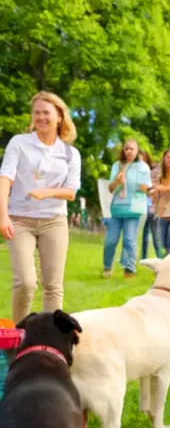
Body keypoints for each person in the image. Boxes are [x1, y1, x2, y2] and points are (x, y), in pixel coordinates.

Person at [0, 91, 82, 323]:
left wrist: (46, 192)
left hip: (54, 220)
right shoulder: (20, 143)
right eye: (37, 112)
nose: (41, 117)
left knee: (53, 286)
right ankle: (19, 335)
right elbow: (5, 177)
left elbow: (71, 191)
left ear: (59, 116)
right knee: (25, 283)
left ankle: (48, 339)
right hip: (19, 219)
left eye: (46, 112)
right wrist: (3, 215)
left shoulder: (70, 153)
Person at [102, 139, 152, 278]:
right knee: (110, 241)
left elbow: (146, 187)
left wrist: (142, 186)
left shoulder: (143, 167)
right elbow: (110, 188)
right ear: (123, 151)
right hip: (117, 208)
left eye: (132, 149)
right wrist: (118, 180)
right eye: (127, 149)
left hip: (134, 209)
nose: (129, 151)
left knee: (129, 241)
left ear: (137, 151)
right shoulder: (117, 166)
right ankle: (107, 267)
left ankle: (129, 270)